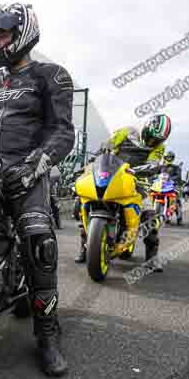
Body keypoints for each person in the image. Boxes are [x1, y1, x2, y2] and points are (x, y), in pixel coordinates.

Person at [0, 2, 74, 377]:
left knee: (40, 243)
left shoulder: (51, 76)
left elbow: (63, 132)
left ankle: (48, 334)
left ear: (23, 34)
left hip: (26, 174)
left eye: (2, 35)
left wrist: (34, 165)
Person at [75, 114, 172, 272]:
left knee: (150, 215)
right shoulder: (127, 132)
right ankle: (86, 247)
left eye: (157, 140)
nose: (152, 142)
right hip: (111, 173)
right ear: (145, 129)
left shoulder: (159, 148)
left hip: (136, 180)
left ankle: (152, 258)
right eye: (151, 137)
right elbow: (107, 146)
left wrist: (148, 169)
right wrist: (95, 159)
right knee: (83, 201)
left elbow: (153, 163)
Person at [159, 151, 184, 225]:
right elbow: (155, 174)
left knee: (176, 200)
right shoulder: (161, 167)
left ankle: (179, 216)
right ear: (165, 158)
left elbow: (178, 176)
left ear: (173, 158)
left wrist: (170, 179)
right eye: (167, 157)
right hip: (163, 186)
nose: (169, 158)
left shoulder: (176, 167)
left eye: (170, 157)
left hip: (173, 185)